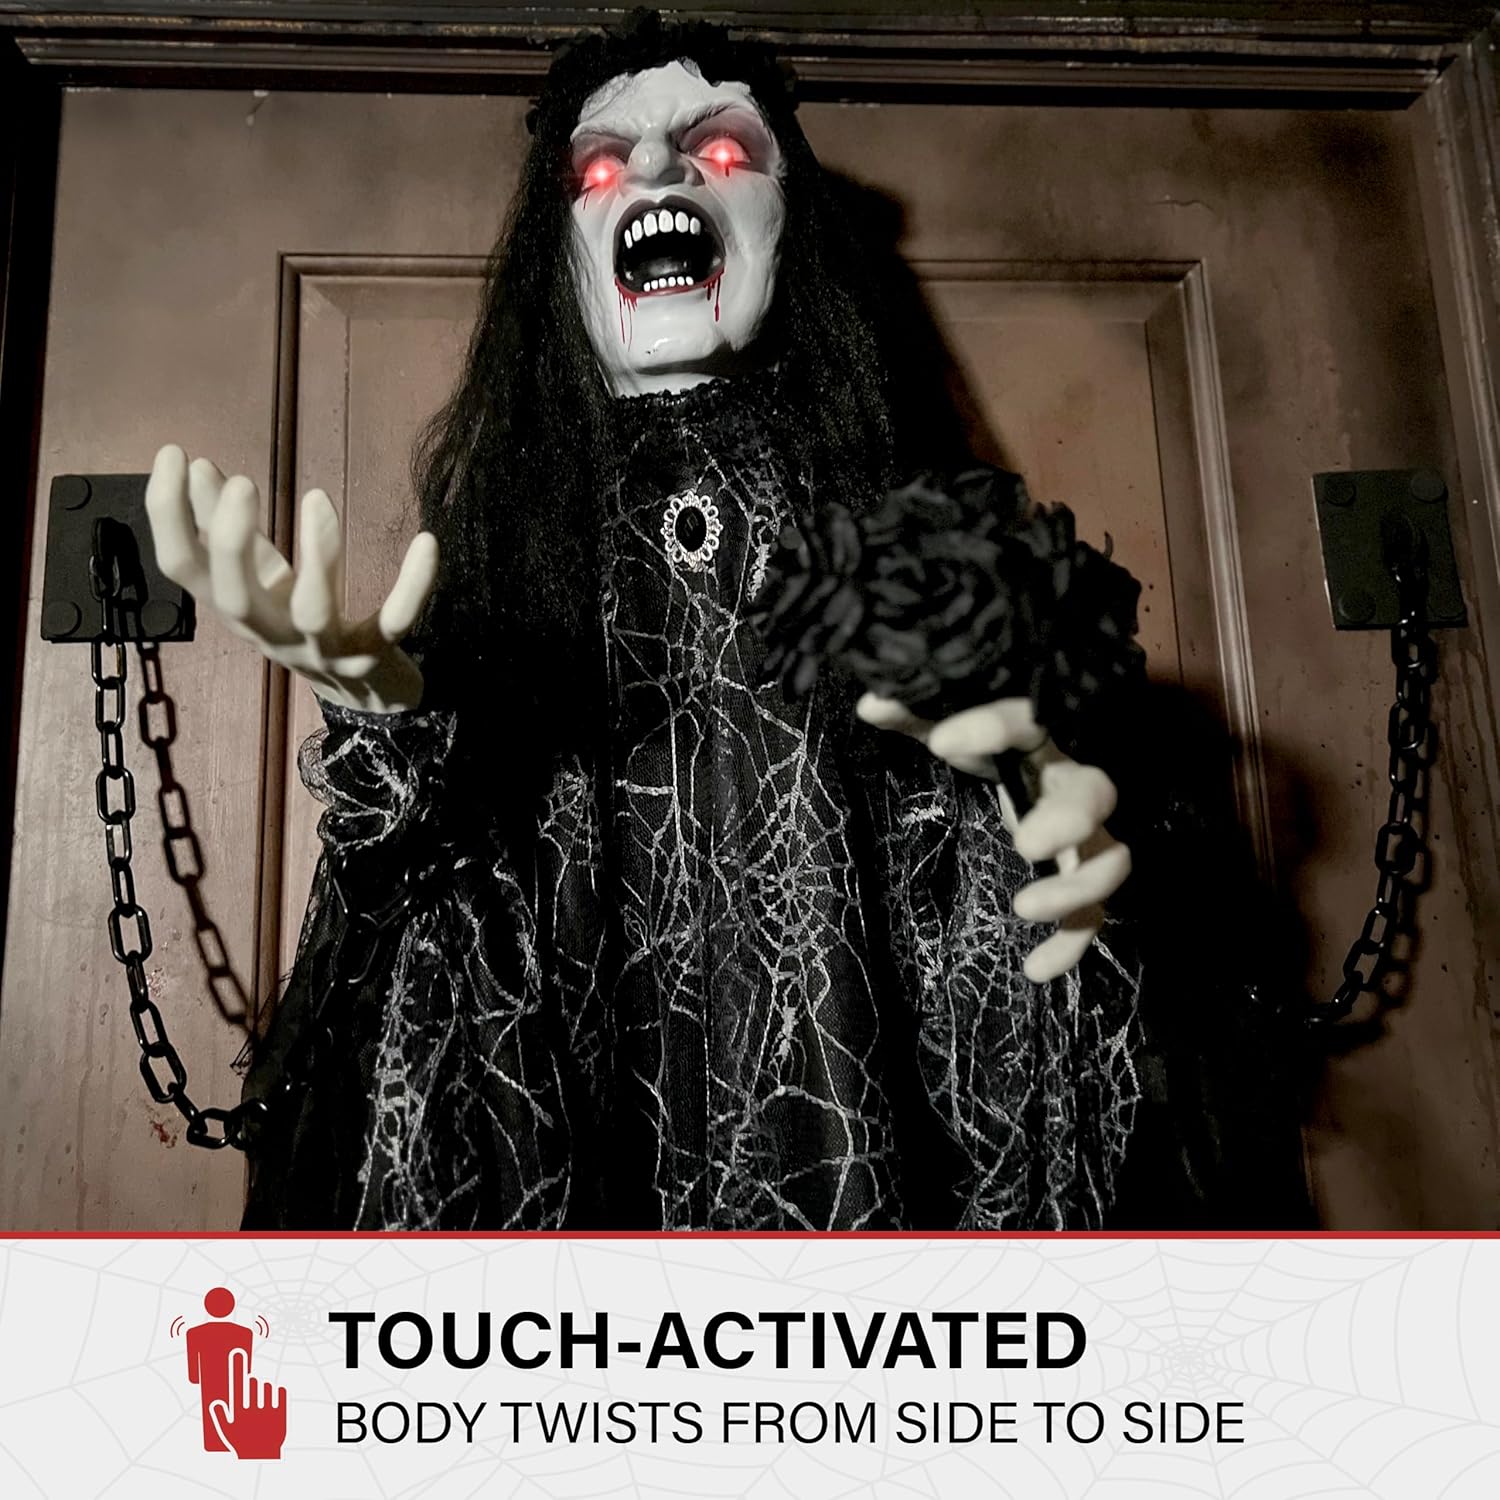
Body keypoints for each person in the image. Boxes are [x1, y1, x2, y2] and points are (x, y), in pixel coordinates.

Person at [145, 12, 1146, 1230]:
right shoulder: (511, 558)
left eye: (721, 150)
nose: (661, 170)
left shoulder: (904, 540)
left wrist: (1046, 810)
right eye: (603, 164)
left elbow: (993, 878)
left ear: (790, 225)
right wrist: (396, 733)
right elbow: (438, 986)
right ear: (558, 256)